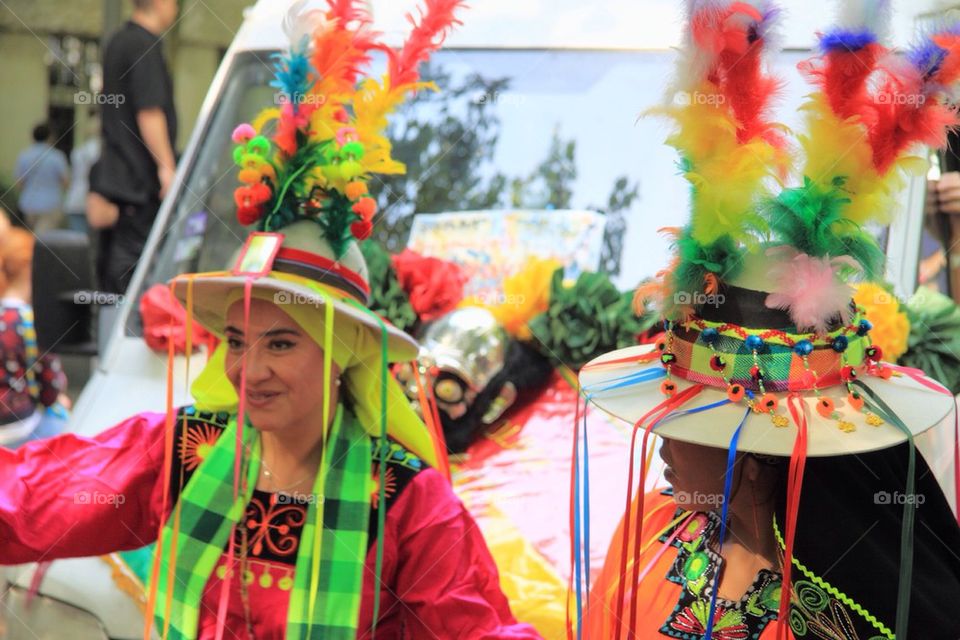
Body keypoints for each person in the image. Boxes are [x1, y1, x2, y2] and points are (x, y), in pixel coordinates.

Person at [0, 3, 543, 638]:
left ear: (344, 349)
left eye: (280, 343)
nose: (247, 371)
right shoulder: (187, 453)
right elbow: (31, 499)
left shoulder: (405, 501)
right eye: (236, 341)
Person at [573, 3, 960, 639]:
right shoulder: (648, 533)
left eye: (687, 418)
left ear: (752, 455)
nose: (660, 441)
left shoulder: (844, 620)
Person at [89, 0, 178, 294]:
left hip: (117, 186)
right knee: (136, 283)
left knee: (112, 279)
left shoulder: (118, 41)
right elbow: (149, 112)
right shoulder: (145, 45)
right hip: (138, 190)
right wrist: (166, 167)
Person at [0, 226, 68, 447]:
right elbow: (50, 388)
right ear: (30, 268)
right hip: (19, 426)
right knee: (61, 418)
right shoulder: (31, 320)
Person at [14, 123, 69, 233]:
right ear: (50, 137)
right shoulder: (57, 156)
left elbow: (19, 183)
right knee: (44, 240)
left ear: (32, 137)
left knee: (30, 240)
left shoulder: (24, 155)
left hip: (28, 204)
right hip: (51, 204)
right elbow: (65, 182)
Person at [64, 114, 102, 233]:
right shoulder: (103, 151)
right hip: (97, 200)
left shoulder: (78, 151)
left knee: (78, 242)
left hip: (76, 199)